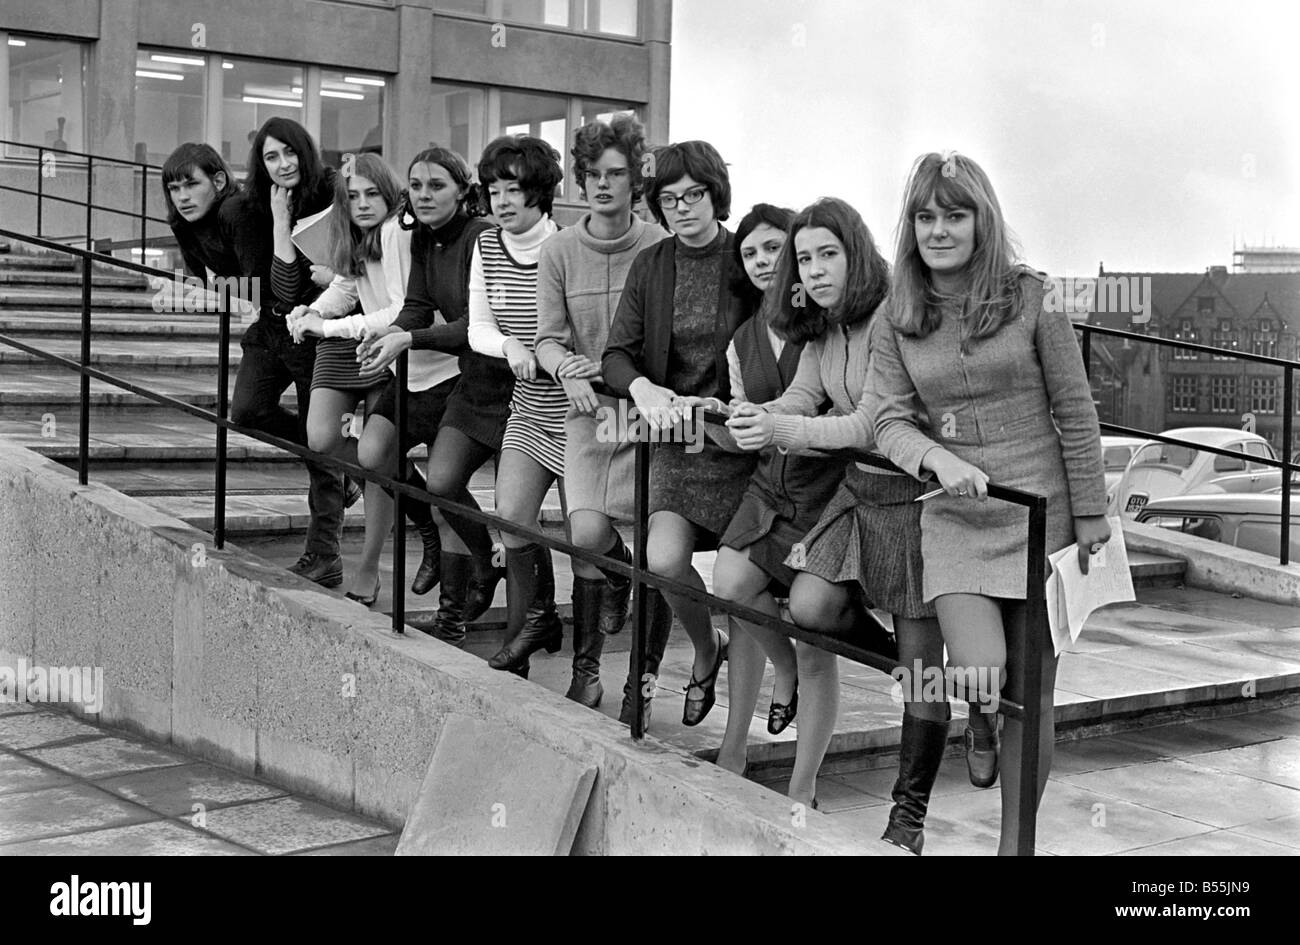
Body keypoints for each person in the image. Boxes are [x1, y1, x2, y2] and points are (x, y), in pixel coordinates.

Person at [871, 152, 1108, 855]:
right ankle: (978, 709)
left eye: (955, 214)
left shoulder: (1034, 298)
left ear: (983, 220)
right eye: (925, 216)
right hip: (956, 520)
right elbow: (887, 418)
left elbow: (1076, 408)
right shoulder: (898, 313)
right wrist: (935, 457)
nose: (939, 230)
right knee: (980, 670)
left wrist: (1091, 510)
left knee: (1030, 700)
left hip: (1041, 520)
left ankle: (1015, 847)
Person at [726, 197, 939, 847]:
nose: (814, 270)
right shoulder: (823, 328)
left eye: (828, 255)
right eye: (805, 258)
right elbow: (798, 399)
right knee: (811, 606)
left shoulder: (888, 320)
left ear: (856, 254)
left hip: (921, 498)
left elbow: (870, 423)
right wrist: (757, 419)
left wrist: (781, 426)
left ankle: (910, 809)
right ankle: (911, 669)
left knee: (922, 665)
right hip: (862, 489)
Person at [603, 140, 757, 727]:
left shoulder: (744, 257)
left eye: (694, 194)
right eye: (668, 200)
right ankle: (703, 647)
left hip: (741, 441)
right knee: (663, 560)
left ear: (715, 192)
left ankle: (740, 735)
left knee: (745, 584)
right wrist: (641, 388)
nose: (683, 208)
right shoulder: (653, 264)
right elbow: (617, 353)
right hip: (676, 441)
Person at [533, 116, 672, 710]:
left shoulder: (660, 247)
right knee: (586, 533)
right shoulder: (559, 249)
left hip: (651, 421)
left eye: (615, 173)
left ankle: (637, 687)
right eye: (592, 174)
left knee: (658, 556)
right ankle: (589, 660)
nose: (602, 184)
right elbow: (545, 339)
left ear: (634, 179)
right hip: (589, 417)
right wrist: (564, 367)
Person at [710, 202, 849, 774]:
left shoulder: (822, 320)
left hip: (827, 486)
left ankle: (802, 786)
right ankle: (781, 672)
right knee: (730, 584)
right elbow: (755, 422)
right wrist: (722, 420)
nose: (763, 261)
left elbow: (843, 414)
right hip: (770, 485)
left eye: (775, 249)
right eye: (750, 253)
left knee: (816, 632)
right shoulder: (741, 339)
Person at [354, 147, 507, 646]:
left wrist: (408, 339)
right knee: (376, 453)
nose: (423, 194)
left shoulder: (479, 237)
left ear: (463, 190)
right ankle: (473, 558)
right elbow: (417, 306)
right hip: (455, 371)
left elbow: (476, 326)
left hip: (494, 378)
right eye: (416, 185)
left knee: (447, 485)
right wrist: (388, 336)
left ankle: (478, 580)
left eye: (436, 185)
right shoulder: (424, 237)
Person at [287, 153, 446, 606]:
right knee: (323, 438)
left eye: (372, 193)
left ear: (390, 193)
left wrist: (328, 327)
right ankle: (410, 498)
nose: (362, 203)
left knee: (378, 457)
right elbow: (346, 287)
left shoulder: (398, 231)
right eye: (353, 196)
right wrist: (313, 311)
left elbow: (400, 309)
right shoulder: (357, 233)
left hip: (394, 350)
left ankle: (370, 566)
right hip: (360, 343)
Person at [220, 117, 354, 589]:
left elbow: (304, 285)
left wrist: (293, 230)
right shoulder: (250, 207)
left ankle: (324, 554)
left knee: (321, 448)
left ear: (305, 151)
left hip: (321, 330)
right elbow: (276, 288)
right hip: (274, 328)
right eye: (270, 157)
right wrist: (279, 220)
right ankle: (344, 470)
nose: (282, 165)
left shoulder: (334, 191)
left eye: (289, 153)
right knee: (248, 410)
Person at [463, 135, 568, 681]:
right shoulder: (485, 245)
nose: (501, 201)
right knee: (512, 520)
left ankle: (590, 655)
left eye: (514, 190)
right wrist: (510, 347)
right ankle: (530, 628)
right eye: (493, 190)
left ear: (540, 193)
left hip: (579, 410)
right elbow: (479, 324)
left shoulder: (566, 246)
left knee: (588, 535)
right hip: (527, 403)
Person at [161, 143, 242, 286]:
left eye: (191, 184)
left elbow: (260, 284)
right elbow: (200, 281)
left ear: (218, 182)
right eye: (174, 188)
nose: (182, 197)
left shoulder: (237, 211)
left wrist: (215, 284)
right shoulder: (181, 223)